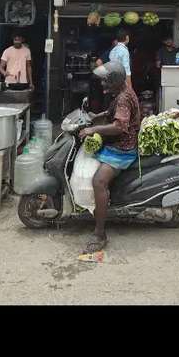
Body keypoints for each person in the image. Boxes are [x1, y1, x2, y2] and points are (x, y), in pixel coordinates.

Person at [79, 61, 140, 252]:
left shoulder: (123, 99)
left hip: (122, 149)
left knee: (98, 181)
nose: (102, 84)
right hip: (117, 145)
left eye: (105, 81)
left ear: (114, 81)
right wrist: (96, 116)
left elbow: (119, 126)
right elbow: (114, 113)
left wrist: (93, 129)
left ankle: (100, 233)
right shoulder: (123, 92)